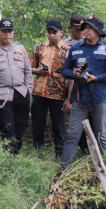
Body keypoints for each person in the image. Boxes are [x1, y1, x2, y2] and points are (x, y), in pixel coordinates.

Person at [60, 16, 106, 170]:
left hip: (100, 99)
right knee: (72, 135)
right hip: (79, 99)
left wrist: (97, 78)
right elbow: (64, 70)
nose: (85, 31)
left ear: (98, 31)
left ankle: (103, 170)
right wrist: (73, 73)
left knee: (101, 135)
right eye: (84, 28)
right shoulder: (75, 49)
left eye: (89, 28)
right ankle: (63, 170)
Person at [0, 18, 33, 155]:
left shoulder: (20, 48)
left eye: (9, 31)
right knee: (7, 127)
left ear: (13, 33)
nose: (7, 34)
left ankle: (15, 151)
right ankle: (11, 157)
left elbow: (28, 70)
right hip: (2, 95)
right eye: (4, 31)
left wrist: (28, 90)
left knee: (21, 125)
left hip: (21, 92)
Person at [30, 19, 70, 158]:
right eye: (49, 32)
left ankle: (60, 155)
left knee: (58, 126)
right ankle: (38, 153)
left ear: (61, 33)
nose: (52, 35)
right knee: (38, 124)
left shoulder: (67, 50)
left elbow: (70, 73)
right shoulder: (40, 47)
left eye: (55, 32)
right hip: (39, 92)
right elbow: (31, 67)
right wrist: (39, 71)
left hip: (57, 94)